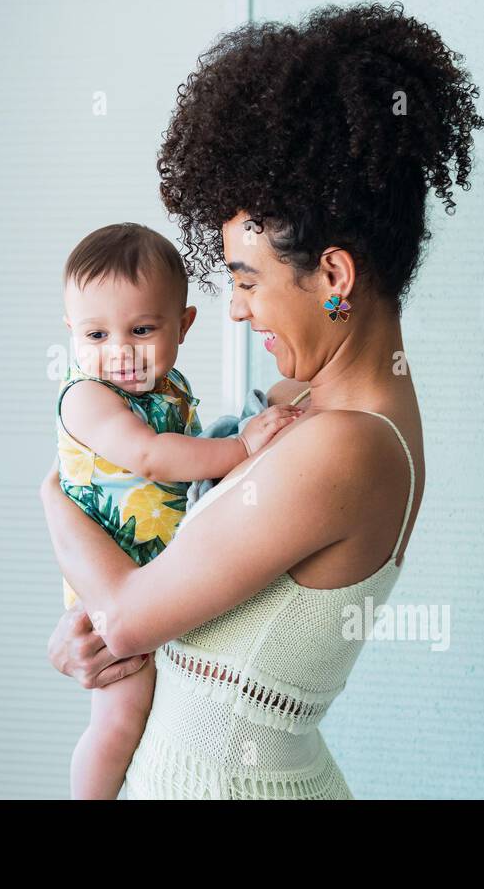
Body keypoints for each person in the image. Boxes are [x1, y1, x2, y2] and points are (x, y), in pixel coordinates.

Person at [39, 0, 484, 798]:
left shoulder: (346, 444)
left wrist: (51, 504)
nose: (236, 307)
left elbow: (133, 614)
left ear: (336, 277)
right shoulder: (305, 408)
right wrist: (85, 641)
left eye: (246, 280)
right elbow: (153, 615)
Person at [53, 222, 302, 798]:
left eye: (141, 329)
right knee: (120, 713)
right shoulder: (88, 398)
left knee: (164, 700)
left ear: (183, 325)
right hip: (112, 569)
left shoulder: (167, 387)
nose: (119, 352)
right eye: (95, 335)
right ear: (71, 334)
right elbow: (152, 456)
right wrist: (241, 446)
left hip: (156, 569)